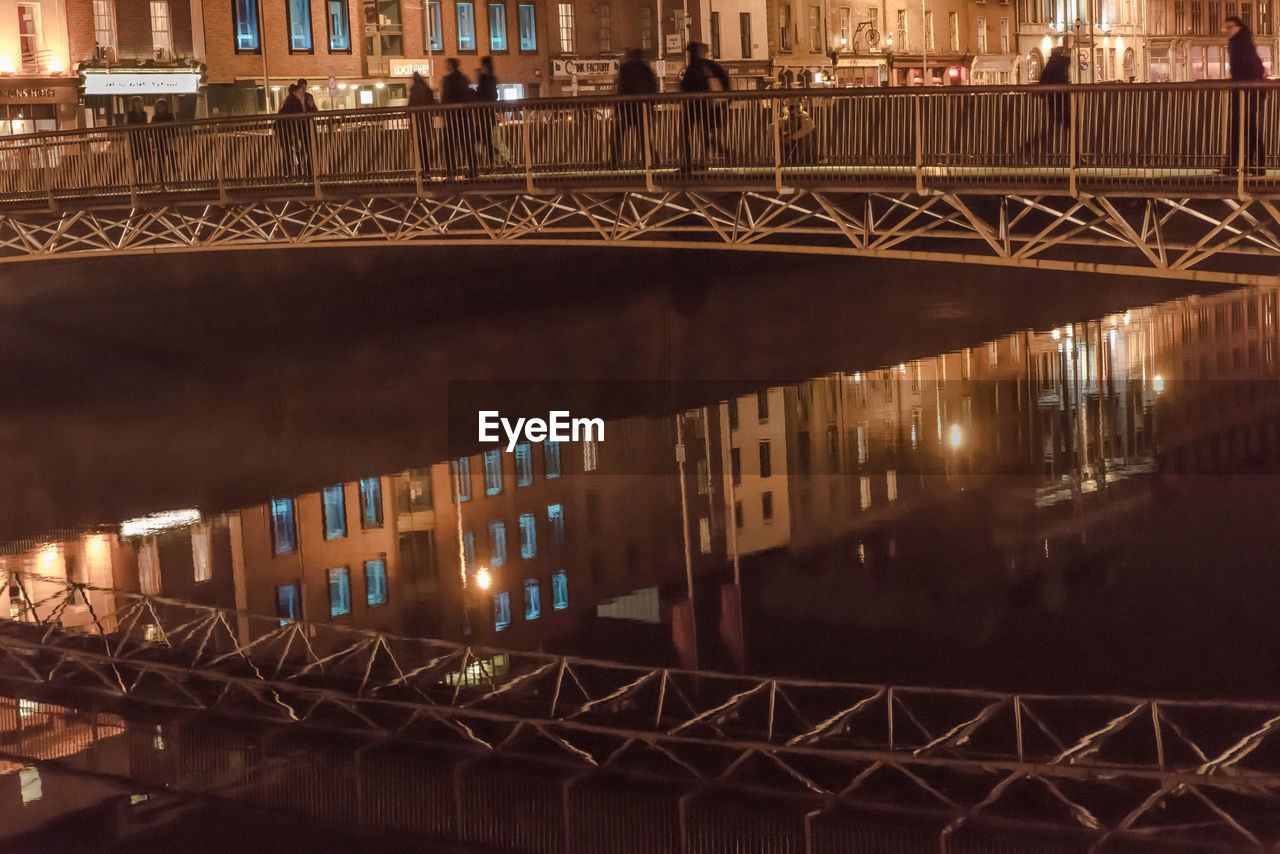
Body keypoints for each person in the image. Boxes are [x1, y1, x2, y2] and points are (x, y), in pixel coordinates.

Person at [1223, 15, 1267, 175]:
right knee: (1247, 128)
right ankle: (1250, 164)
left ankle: (1239, 164)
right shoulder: (1241, 41)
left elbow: (1253, 68)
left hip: (1246, 92)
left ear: (1238, 27)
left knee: (1243, 128)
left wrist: (1241, 84)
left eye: (1229, 28)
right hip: (1246, 92)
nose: (1226, 31)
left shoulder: (1240, 43)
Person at [679, 41, 731, 170]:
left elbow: (686, 86)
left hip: (694, 106)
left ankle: (689, 163)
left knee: (687, 134)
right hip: (708, 107)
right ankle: (709, 159)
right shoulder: (712, 66)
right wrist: (725, 102)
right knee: (705, 134)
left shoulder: (694, 67)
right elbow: (725, 83)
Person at [609, 48, 660, 169]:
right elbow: (653, 89)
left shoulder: (625, 69)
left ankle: (614, 163)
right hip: (642, 109)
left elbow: (622, 89)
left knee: (617, 137)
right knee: (644, 139)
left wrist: (617, 108)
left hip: (626, 109)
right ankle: (652, 161)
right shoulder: (646, 70)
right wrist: (650, 105)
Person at [1024, 45, 1071, 155]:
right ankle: (1075, 155)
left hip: (1054, 101)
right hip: (1058, 101)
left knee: (1048, 130)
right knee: (1068, 128)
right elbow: (1065, 64)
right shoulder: (1057, 63)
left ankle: (1027, 149)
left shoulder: (1051, 63)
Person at [441, 58, 478, 178]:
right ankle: (473, 170)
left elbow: (446, 98)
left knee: (450, 146)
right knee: (466, 144)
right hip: (463, 117)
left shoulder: (449, 80)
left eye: (447, 64)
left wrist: (444, 111)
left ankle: (451, 171)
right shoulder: (463, 79)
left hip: (452, 117)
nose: (446, 66)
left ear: (451, 65)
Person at [475, 56, 503, 169]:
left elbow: (481, 94)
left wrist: (479, 79)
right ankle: (493, 162)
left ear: (484, 66)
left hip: (482, 115)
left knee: (481, 139)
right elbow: (494, 95)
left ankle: (487, 163)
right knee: (488, 140)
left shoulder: (484, 79)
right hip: (489, 114)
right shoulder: (492, 78)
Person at [408, 71, 436, 175]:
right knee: (425, 147)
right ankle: (427, 169)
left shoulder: (414, 90)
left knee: (419, 148)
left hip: (418, 124)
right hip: (426, 122)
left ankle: (423, 170)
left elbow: (410, 107)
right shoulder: (427, 89)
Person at [150, 98, 176, 186]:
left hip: (169, 140)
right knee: (161, 162)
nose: (161, 108)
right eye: (159, 106)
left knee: (173, 161)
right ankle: (162, 182)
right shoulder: (166, 116)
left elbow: (173, 129)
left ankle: (176, 179)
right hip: (159, 141)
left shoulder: (160, 117)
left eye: (162, 106)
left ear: (166, 107)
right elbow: (151, 131)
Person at [124, 97, 150, 183]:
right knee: (133, 163)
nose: (137, 104)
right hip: (133, 140)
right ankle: (133, 181)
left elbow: (145, 125)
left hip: (143, 139)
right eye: (135, 102)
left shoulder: (144, 113)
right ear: (132, 104)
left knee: (147, 161)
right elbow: (127, 125)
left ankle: (149, 180)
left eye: (139, 102)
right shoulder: (129, 114)